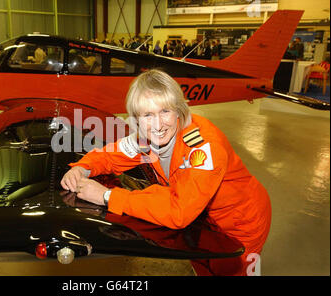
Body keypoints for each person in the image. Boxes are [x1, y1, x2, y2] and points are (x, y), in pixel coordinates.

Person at [61, 69, 272, 276]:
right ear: (136, 118)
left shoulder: (203, 147)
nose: (158, 124)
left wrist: (107, 196)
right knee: (203, 267)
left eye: (165, 111)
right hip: (203, 221)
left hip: (240, 222)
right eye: (148, 115)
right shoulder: (146, 139)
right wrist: (83, 167)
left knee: (233, 272)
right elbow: (110, 155)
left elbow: (180, 211)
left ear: (179, 110)